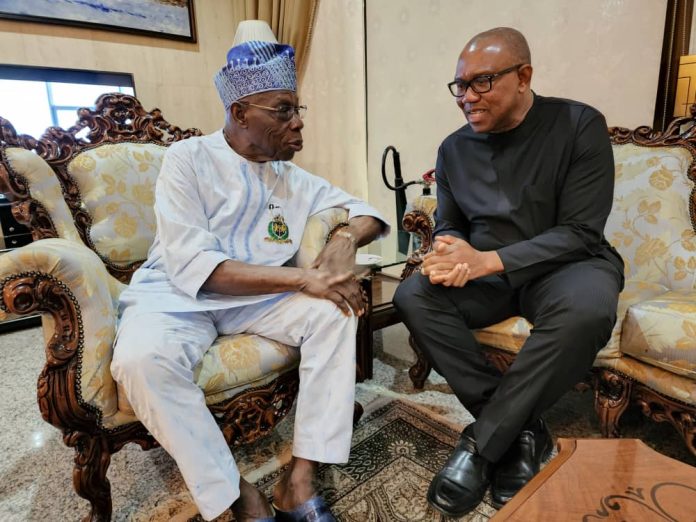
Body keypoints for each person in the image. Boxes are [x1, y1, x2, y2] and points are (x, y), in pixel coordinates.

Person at [111, 21, 388, 522]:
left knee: (336, 313)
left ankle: (299, 480)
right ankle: (239, 495)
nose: (299, 123)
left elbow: (365, 210)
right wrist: (306, 279)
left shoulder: (293, 177)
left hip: (258, 298)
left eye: (297, 109)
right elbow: (199, 268)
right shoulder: (187, 160)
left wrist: (346, 238)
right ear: (239, 112)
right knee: (139, 360)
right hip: (177, 296)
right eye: (283, 111)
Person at [393, 27, 624, 517]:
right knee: (412, 296)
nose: (466, 98)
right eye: (459, 85)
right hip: (490, 276)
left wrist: (486, 261)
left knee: (587, 310)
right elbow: (452, 219)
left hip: (568, 267)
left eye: (482, 82)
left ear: (524, 77)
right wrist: (448, 245)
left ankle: (481, 446)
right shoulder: (454, 149)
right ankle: (522, 432)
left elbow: (582, 230)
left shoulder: (579, 124)